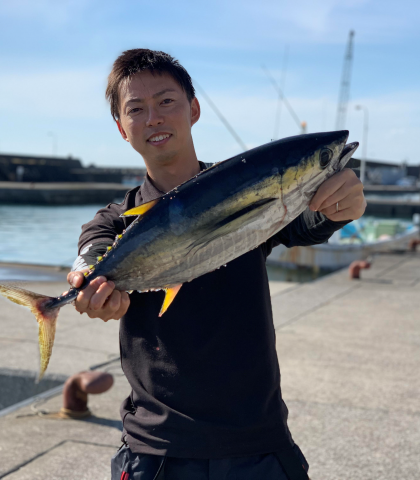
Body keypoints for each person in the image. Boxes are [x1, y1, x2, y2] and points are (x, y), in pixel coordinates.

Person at [67, 49, 366, 480]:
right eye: (136, 109)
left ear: (194, 109)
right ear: (121, 128)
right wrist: (85, 281)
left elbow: (306, 223)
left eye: (166, 102)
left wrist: (340, 205)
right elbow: (92, 252)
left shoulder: (246, 185)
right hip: (156, 451)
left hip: (258, 444)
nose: (153, 117)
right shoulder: (115, 221)